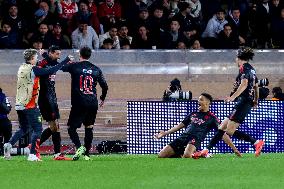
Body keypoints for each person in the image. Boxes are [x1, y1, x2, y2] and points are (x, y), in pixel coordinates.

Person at [3, 49, 73, 161]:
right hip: (29, 105)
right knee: (38, 129)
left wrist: (46, 56)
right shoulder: (34, 69)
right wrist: (65, 60)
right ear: (31, 59)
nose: (37, 59)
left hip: (19, 104)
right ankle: (32, 155)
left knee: (24, 128)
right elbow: (51, 70)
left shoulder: (21, 68)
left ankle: (8, 145)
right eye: (36, 57)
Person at [197, 47, 265, 158]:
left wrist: (232, 97)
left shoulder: (244, 68)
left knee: (229, 130)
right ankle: (205, 150)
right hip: (246, 102)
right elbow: (256, 86)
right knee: (222, 127)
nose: (235, 60)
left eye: (236, 58)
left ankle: (256, 142)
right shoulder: (252, 69)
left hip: (243, 102)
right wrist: (256, 101)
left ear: (239, 58)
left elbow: (244, 84)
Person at [155, 93, 241, 158]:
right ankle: (195, 154)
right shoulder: (193, 114)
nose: (198, 101)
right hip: (183, 137)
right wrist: (165, 133)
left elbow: (222, 134)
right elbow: (179, 126)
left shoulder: (212, 118)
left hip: (195, 139)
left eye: (201, 99)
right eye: (199, 99)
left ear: (207, 103)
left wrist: (234, 149)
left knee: (187, 155)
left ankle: (199, 154)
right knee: (161, 155)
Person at [61, 46, 108, 161]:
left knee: (71, 128)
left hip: (79, 102)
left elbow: (61, 67)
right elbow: (105, 86)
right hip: (93, 102)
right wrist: (102, 98)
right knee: (89, 127)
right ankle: (87, 155)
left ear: (80, 54)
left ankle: (79, 147)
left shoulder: (74, 66)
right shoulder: (96, 69)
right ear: (89, 55)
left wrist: (67, 61)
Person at [37, 46, 69, 160]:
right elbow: (44, 69)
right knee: (54, 126)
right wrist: (45, 57)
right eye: (56, 54)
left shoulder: (52, 61)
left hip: (52, 98)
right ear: (51, 53)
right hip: (45, 99)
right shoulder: (41, 63)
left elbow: (58, 65)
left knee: (55, 127)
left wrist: (46, 55)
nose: (58, 56)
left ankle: (34, 146)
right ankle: (55, 153)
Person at [0, 88, 12, 155]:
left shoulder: (3, 96)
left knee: (7, 132)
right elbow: (8, 109)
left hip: (4, 120)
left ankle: (5, 152)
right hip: (4, 121)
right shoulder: (3, 96)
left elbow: (8, 109)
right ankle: (5, 152)